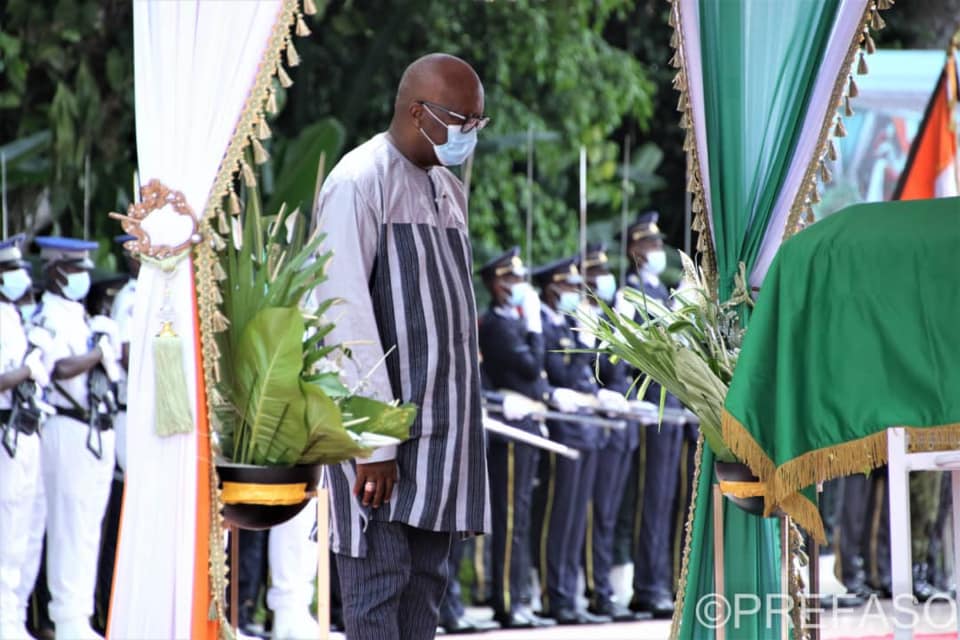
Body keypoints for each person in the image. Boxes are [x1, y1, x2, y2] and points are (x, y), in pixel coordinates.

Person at [311, 53, 490, 640]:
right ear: (419, 111)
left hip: (443, 437)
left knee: (425, 588)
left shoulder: (448, 188)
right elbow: (344, 318)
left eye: (477, 124)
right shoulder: (358, 182)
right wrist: (374, 443)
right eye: (463, 121)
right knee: (378, 586)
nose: (470, 134)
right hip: (382, 443)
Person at [33, 236, 120, 640]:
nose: (84, 278)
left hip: (93, 427)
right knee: (69, 523)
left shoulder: (77, 313)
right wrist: (99, 353)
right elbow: (61, 368)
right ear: (55, 271)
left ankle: (79, 616)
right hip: (66, 427)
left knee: (88, 525)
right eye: (76, 270)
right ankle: (66, 617)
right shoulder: (48, 314)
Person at [475, 247, 558, 630]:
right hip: (509, 431)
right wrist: (536, 326)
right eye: (512, 279)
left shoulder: (512, 322)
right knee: (509, 517)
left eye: (521, 279)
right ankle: (506, 600)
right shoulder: (497, 325)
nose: (520, 286)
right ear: (496, 285)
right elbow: (531, 366)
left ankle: (518, 595)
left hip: (526, 424)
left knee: (521, 515)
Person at [530, 257, 613, 626]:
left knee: (576, 517)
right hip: (562, 428)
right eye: (567, 287)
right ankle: (554, 595)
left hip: (584, 427)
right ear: (551, 288)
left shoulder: (567, 324)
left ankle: (568, 594)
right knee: (558, 516)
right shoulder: (545, 327)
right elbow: (553, 372)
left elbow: (584, 374)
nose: (573, 294)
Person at [617, 212, 683, 619]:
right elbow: (621, 354)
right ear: (633, 250)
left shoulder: (662, 291)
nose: (656, 252)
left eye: (658, 245)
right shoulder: (630, 293)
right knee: (650, 498)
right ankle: (646, 585)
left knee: (667, 498)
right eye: (649, 245)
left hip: (672, 404)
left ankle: (665, 580)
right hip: (650, 403)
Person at [577, 243, 644, 622]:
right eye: (593, 275)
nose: (600, 280)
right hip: (596, 425)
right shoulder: (581, 322)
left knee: (610, 514)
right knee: (595, 513)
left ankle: (604, 589)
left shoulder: (611, 318)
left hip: (619, 425)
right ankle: (595, 590)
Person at [0, 235, 51, 640]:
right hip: (5, 430)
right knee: (7, 521)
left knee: (27, 524)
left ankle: (14, 617)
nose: (20, 278)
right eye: (11, 271)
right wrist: (27, 371)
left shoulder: (13, 316)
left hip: (25, 427)